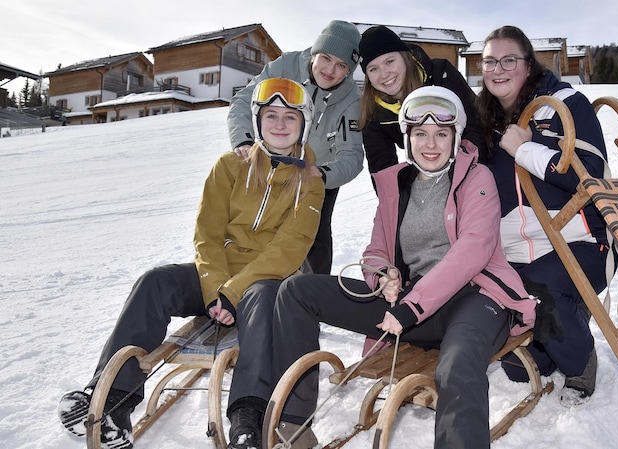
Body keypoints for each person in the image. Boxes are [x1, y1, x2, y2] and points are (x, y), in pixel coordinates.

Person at [57, 78, 325, 449]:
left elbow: (290, 248)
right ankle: (112, 402)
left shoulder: (310, 181)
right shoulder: (231, 166)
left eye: (289, 118)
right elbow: (207, 234)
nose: (279, 125)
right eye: (271, 116)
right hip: (216, 278)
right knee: (155, 281)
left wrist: (234, 292)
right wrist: (217, 289)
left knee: (262, 296)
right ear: (257, 120)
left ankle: (247, 419)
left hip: (265, 283)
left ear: (303, 124)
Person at [270, 86, 538, 449]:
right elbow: (376, 250)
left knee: (457, 364)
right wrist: (383, 275)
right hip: (411, 304)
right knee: (297, 291)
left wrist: (411, 305)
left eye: (442, 134)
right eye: (420, 133)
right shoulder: (395, 185)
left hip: (475, 300)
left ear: (456, 137)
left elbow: (474, 249)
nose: (431, 143)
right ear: (407, 137)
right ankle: (293, 423)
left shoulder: (478, 179)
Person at [475, 25, 614, 406]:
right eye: (489, 61)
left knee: (537, 291)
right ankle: (564, 322)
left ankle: (581, 362)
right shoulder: (483, 119)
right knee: (520, 367)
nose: (497, 69)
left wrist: (528, 151)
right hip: (518, 251)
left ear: (528, 63)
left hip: (580, 242)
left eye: (508, 60)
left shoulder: (564, 103)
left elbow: (593, 176)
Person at [227, 20, 364, 276]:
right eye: (326, 58)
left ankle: (313, 295)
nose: (330, 70)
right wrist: (244, 140)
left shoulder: (351, 100)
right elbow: (244, 100)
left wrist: (323, 174)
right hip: (272, 163)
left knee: (314, 234)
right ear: (315, 53)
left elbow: (352, 155)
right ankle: (244, 285)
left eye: (341, 65)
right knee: (256, 227)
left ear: (349, 70)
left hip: (316, 173)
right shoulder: (286, 66)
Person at [357, 25, 486, 176]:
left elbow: (477, 123)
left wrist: (460, 169)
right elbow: (382, 168)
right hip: (429, 163)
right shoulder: (374, 109)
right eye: (373, 69)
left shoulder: (440, 75)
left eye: (389, 61)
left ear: (405, 58)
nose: (384, 74)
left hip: (475, 163)